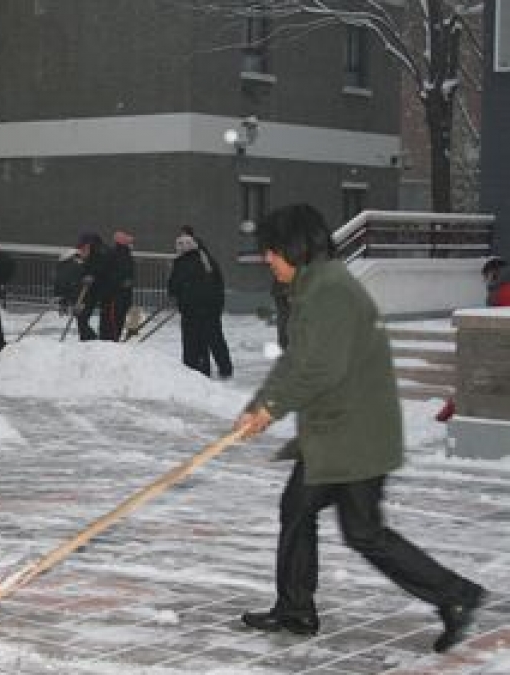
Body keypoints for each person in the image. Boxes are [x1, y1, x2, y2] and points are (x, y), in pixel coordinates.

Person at [234, 203, 485, 653]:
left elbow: (320, 368)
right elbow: (296, 360)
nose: (267, 260)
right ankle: (295, 609)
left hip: (353, 436)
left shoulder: (329, 291)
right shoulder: (315, 287)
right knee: (299, 511)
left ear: (293, 248)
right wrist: (259, 406)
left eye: (271, 252)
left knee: (362, 532)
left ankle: (457, 596)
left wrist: (270, 408)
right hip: (338, 433)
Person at [434, 256, 509, 422]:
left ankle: (450, 411)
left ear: (494, 274)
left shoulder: (503, 290)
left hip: (500, 347)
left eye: (486, 277)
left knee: (472, 378)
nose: (485, 281)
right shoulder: (501, 288)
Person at [167, 233, 232, 378]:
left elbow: (173, 287)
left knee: (193, 343)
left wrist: (176, 294)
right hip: (211, 309)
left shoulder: (182, 263)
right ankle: (225, 368)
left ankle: (195, 373)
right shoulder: (207, 260)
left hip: (192, 311)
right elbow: (219, 283)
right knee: (214, 339)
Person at [73, 232, 110, 341]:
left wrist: (93, 276)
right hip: (88, 290)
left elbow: (104, 268)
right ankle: (89, 339)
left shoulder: (103, 252)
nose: (82, 249)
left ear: (90, 244)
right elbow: (84, 268)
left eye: (84, 246)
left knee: (106, 319)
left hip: (102, 289)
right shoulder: (87, 253)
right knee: (81, 315)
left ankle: (100, 341)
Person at [101, 230, 136, 341]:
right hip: (115, 295)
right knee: (114, 321)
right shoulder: (115, 254)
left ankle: (113, 339)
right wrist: (122, 282)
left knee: (117, 319)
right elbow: (109, 274)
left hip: (121, 294)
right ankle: (111, 340)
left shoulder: (126, 255)